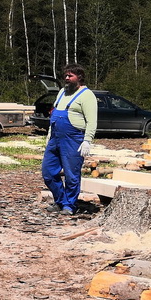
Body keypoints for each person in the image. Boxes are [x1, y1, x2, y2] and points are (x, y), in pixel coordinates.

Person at [41, 64, 98, 216]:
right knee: (48, 172)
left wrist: (87, 141)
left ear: (79, 77)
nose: (67, 78)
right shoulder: (62, 92)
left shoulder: (87, 95)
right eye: (66, 75)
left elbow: (92, 121)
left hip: (73, 139)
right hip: (55, 138)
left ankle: (69, 205)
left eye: (70, 75)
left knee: (71, 175)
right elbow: (54, 116)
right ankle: (60, 201)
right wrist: (49, 136)